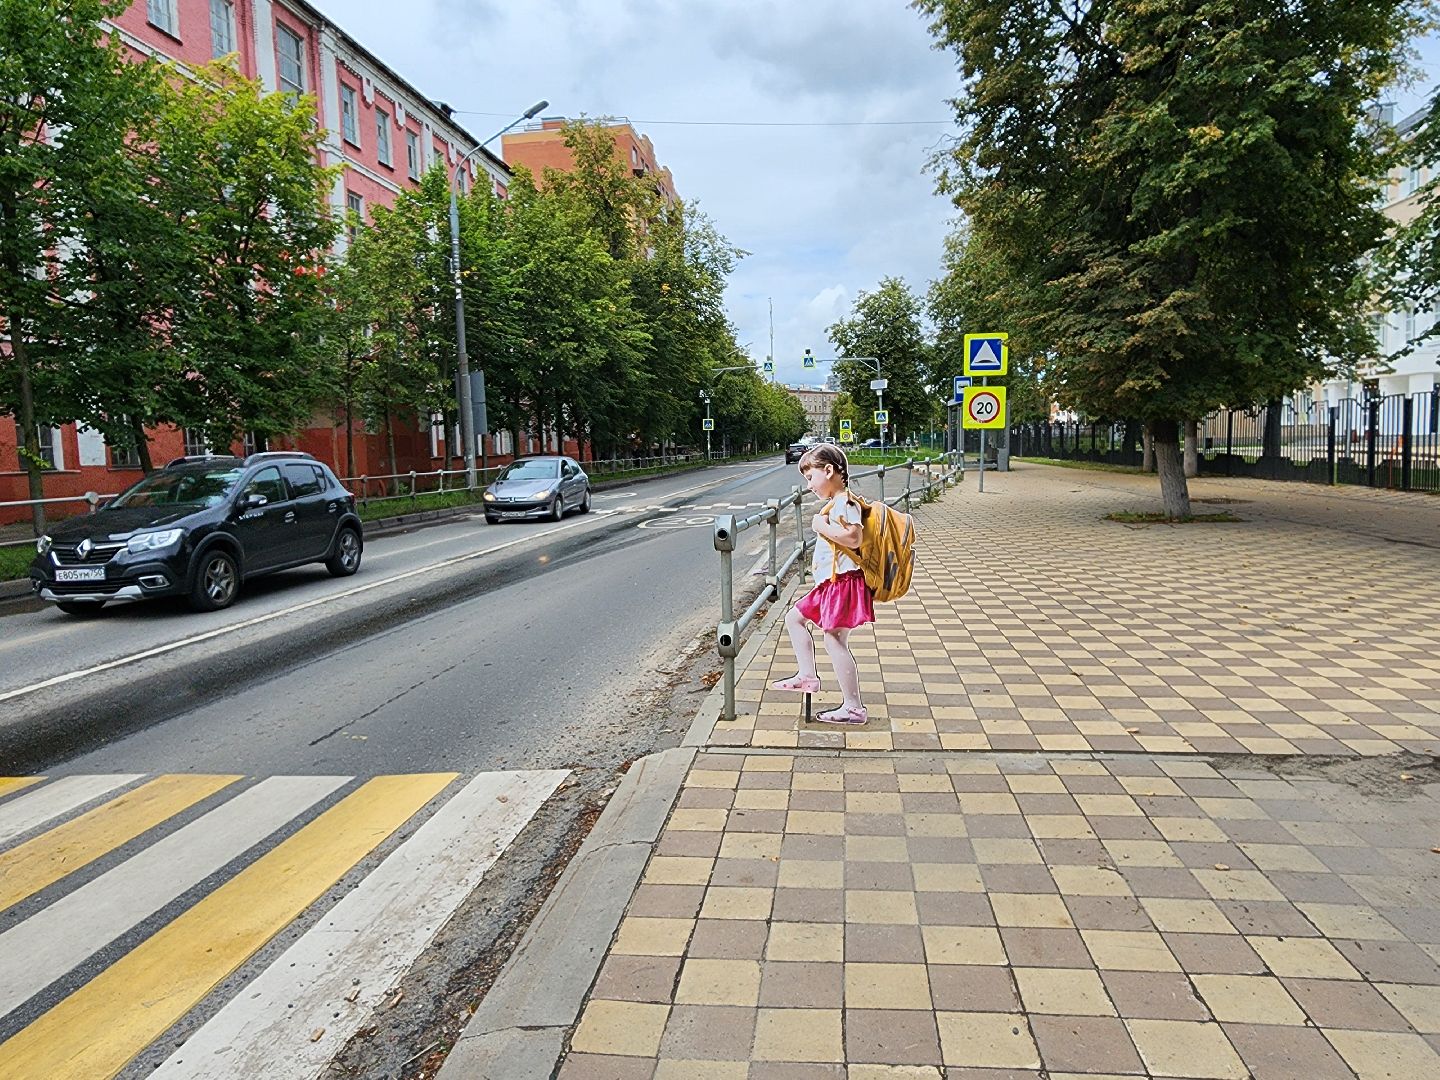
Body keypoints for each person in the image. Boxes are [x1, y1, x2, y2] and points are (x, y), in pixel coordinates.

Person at [770, 442, 874, 724]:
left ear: (828, 471)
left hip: (842, 583)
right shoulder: (837, 503)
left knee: (834, 639)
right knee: (794, 618)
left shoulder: (846, 503)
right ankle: (807, 675)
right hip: (832, 583)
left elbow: (854, 538)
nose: (809, 485)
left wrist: (821, 526)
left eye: (810, 477)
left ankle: (853, 708)